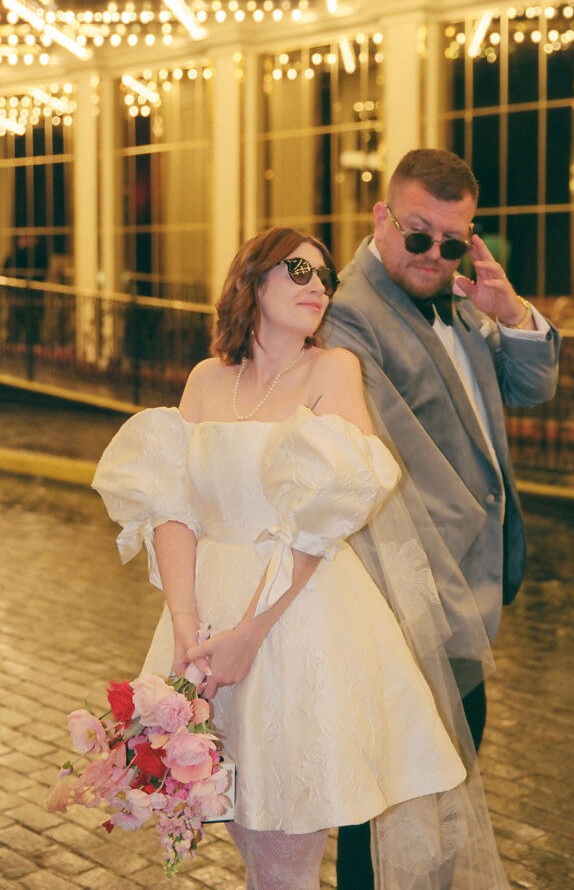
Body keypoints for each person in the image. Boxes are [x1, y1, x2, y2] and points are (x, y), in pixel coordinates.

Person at [91, 227, 509, 890]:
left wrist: (248, 636)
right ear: (252, 281)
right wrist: (185, 627)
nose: (317, 286)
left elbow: (324, 518)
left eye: (323, 276)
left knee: (286, 854)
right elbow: (172, 507)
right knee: (242, 834)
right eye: (297, 270)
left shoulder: (331, 370)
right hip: (203, 619)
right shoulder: (206, 379)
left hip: (296, 623)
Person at [325, 148, 561, 889]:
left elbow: (531, 387)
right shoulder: (346, 319)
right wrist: (455, 575)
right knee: (386, 807)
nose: (433, 254)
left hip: (465, 597)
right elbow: (395, 470)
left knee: (439, 795)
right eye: (418, 234)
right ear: (381, 217)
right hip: (412, 603)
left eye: (452, 241)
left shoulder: (459, 302)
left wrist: (510, 311)